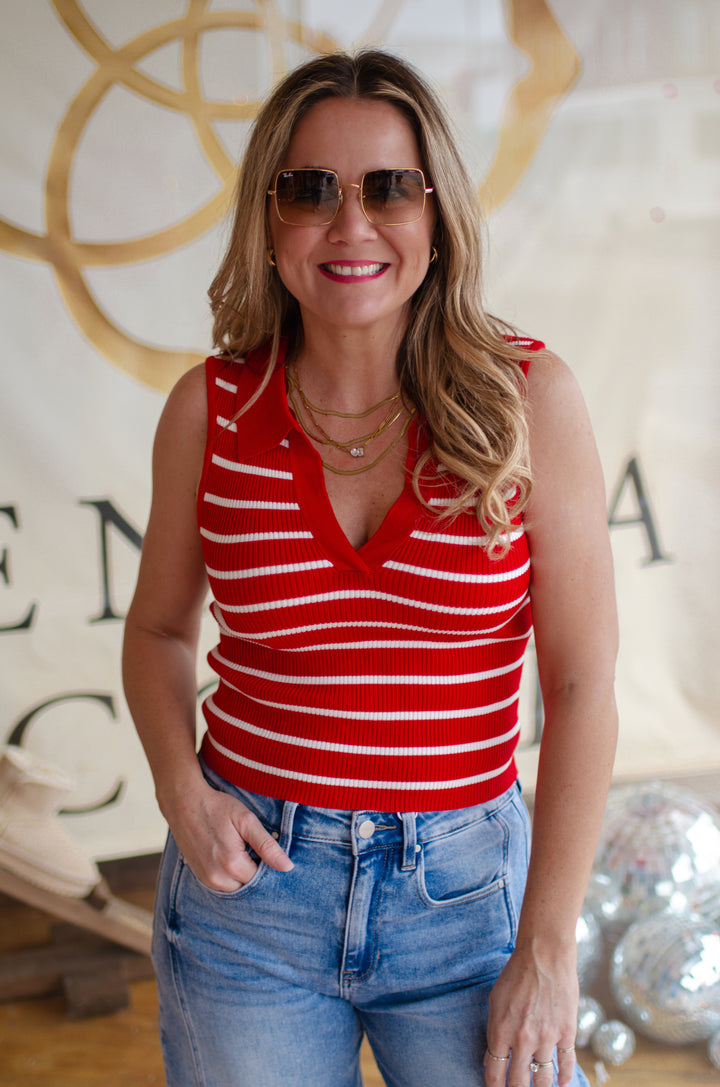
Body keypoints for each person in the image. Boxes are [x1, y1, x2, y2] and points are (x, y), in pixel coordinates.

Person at [122, 49, 617, 1087]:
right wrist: (180, 787)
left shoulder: (529, 400)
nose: (351, 225)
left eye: (389, 188)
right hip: (250, 904)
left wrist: (549, 947)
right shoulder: (209, 411)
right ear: (269, 222)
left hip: (468, 908)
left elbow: (579, 686)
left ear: (438, 217)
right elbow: (160, 629)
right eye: (310, 191)